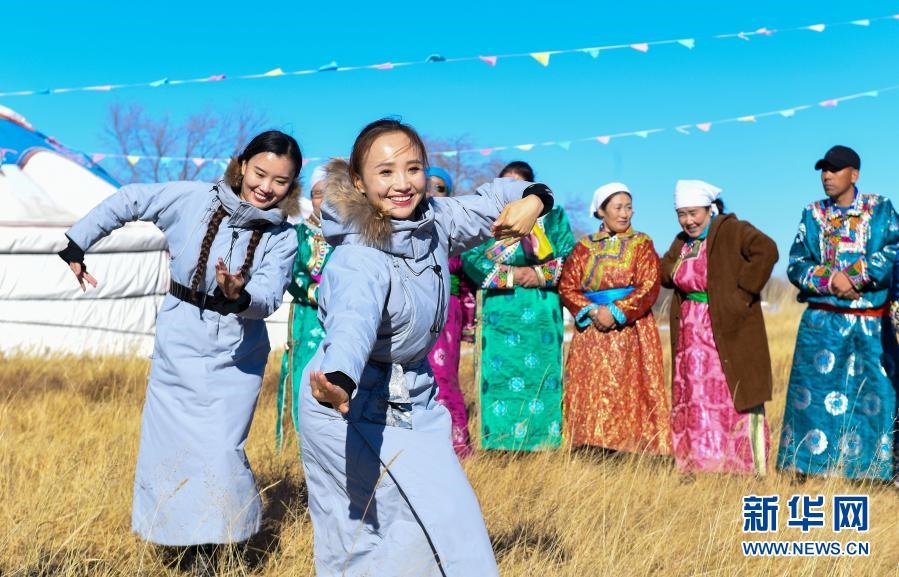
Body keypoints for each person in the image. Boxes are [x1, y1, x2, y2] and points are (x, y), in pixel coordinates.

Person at [298, 118, 554, 577]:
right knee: (371, 536)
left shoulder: (434, 220)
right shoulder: (359, 255)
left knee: (443, 526)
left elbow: (495, 197)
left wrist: (533, 200)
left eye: (413, 169)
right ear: (358, 181)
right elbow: (352, 322)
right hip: (347, 402)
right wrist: (339, 379)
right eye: (386, 172)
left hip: (413, 393)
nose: (402, 183)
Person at [56, 131, 300, 563]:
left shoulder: (283, 236)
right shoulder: (192, 198)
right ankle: (186, 549)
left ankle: (224, 542)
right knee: (172, 451)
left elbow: (268, 294)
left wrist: (240, 294)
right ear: (243, 165)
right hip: (180, 339)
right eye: (260, 173)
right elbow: (131, 198)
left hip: (237, 353)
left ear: (291, 185)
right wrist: (79, 241)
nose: (266, 187)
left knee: (222, 451)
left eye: (280, 181)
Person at [777, 145, 898, 481]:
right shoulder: (812, 214)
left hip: (870, 323)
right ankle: (808, 469)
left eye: (834, 170)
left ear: (854, 174)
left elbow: (894, 249)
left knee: (873, 394)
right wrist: (832, 280)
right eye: (823, 170)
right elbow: (796, 264)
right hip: (822, 322)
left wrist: (856, 276)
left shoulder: (880, 208)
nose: (827, 176)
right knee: (813, 396)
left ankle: (871, 473)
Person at [660, 180, 777, 476]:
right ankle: (698, 466)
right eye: (682, 214)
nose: (688, 221)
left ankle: (740, 468)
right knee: (696, 399)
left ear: (710, 209)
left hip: (725, 330)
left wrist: (742, 294)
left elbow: (767, 250)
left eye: (694, 213)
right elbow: (665, 273)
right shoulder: (682, 242)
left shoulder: (732, 230)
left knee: (729, 395)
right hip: (690, 338)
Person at [461, 161, 575, 452]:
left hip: (541, 309)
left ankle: (543, 442)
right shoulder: (486, 217)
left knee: (542, 377)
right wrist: (513, 275)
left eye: (519, 184)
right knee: (500, 376)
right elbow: (470, 257)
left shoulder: (553, 216)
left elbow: (569, 256)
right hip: (500, 311)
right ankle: (499, 444)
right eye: (506, 183)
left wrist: (538, 275)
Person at [558, 182, 670, 455]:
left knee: (629, 388)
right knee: (590, 388)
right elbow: (567, 286)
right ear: (601, 211)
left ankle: (631, 450)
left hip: (631, 329)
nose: (624, 213)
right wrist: (593, 311)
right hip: (591, 331)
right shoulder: (583, 247)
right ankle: (588, 447)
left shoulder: (642, 244)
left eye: (628, 207)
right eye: (618, 207)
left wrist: (616, 312)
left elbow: (649, 285)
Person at [274, 165, 333, 451]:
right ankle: (296, 450)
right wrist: (325, 294)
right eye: (318, 194)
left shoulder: (352, 234)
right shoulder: (299, 234)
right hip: (307, 319)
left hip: (343, 321)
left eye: (331, 193)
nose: (325, 200)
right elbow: (294, 275)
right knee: (302, 379)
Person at [425, 166, 477, 458]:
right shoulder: (401, 225)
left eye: (440, 188)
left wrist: (468, 323)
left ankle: (456, 445)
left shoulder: (458, 229)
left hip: (446, 311)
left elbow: (467, 283)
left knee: (443, 376)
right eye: (427, 186)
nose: (432, 193)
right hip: (410, 311)